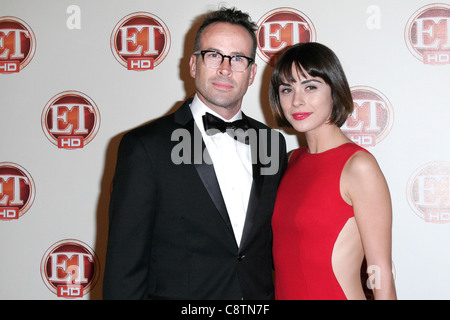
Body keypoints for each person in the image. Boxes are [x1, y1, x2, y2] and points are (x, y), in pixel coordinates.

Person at [103, 7, 287, 300]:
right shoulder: (145, 147)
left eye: (238, 58)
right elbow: (123, 272)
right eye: (214, 55)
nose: (225, 68)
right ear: (193, 65)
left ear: (252, 73)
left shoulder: (271, 144)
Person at [270, 42, 396, 300]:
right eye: (286, 89)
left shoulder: (357, 166)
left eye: (310, 87)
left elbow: (380, 270)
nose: (297, 100)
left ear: (334, 92)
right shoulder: (290, 162)